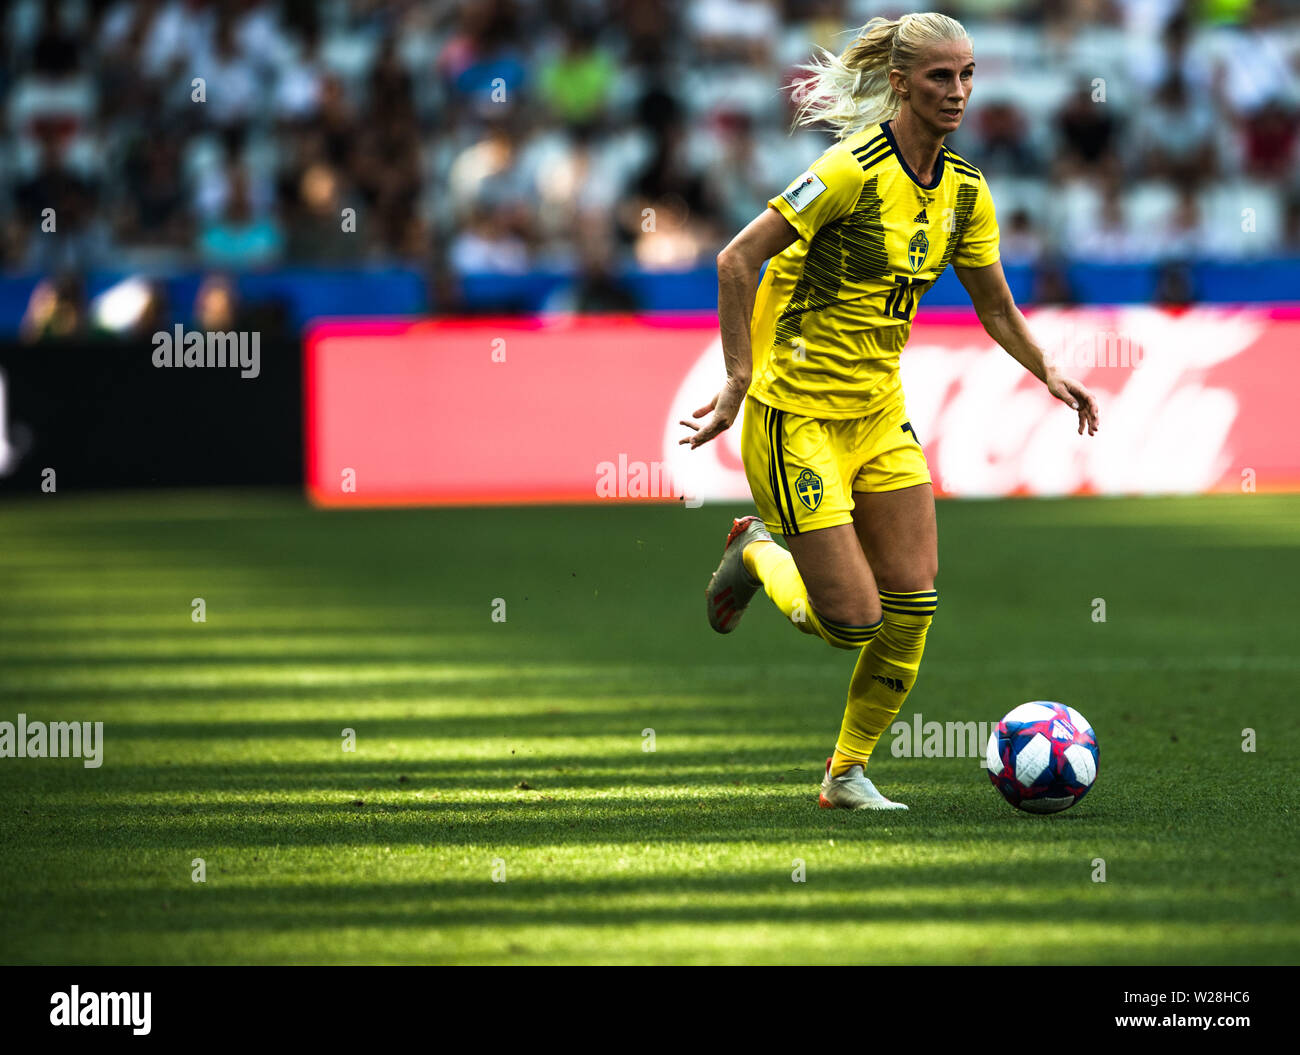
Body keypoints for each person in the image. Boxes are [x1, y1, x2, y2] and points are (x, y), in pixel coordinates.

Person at [680, 12, 1100, 810]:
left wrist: (1049, 366)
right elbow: (738, 257)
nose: (958, 91)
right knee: (849, 622)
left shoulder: (967, 191)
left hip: (878, 416)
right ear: (901, 83)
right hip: (793, 416)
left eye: (968, 74)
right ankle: (758, 550)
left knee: (913, 603)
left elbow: (997, 306)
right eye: (941, 77)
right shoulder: (848, 169)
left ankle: (844, 774)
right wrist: (737, 383)